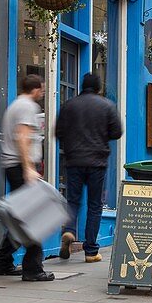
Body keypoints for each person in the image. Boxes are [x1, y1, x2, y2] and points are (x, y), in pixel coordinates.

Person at [55, 73, 123, 263]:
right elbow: (117, 132)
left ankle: (69, 231)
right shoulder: (107, 106)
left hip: (73, 160)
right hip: (97, 162)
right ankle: (91, 251)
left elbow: (58, 132)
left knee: (73, 201)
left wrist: (71, 145)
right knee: (95, 205)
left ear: (81, 86)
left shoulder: (68, 105)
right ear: (99, 87)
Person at [0, 74, 52, 282]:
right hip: (20, 166)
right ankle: (33, 268)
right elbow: (23, 138)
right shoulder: (27, 107)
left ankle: (2, 262)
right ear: (35, 89)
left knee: (21, 216)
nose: (43, 92)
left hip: (13, 165)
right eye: (42, 89)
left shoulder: (15, 105)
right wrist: (28, 168)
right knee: (33, 217)